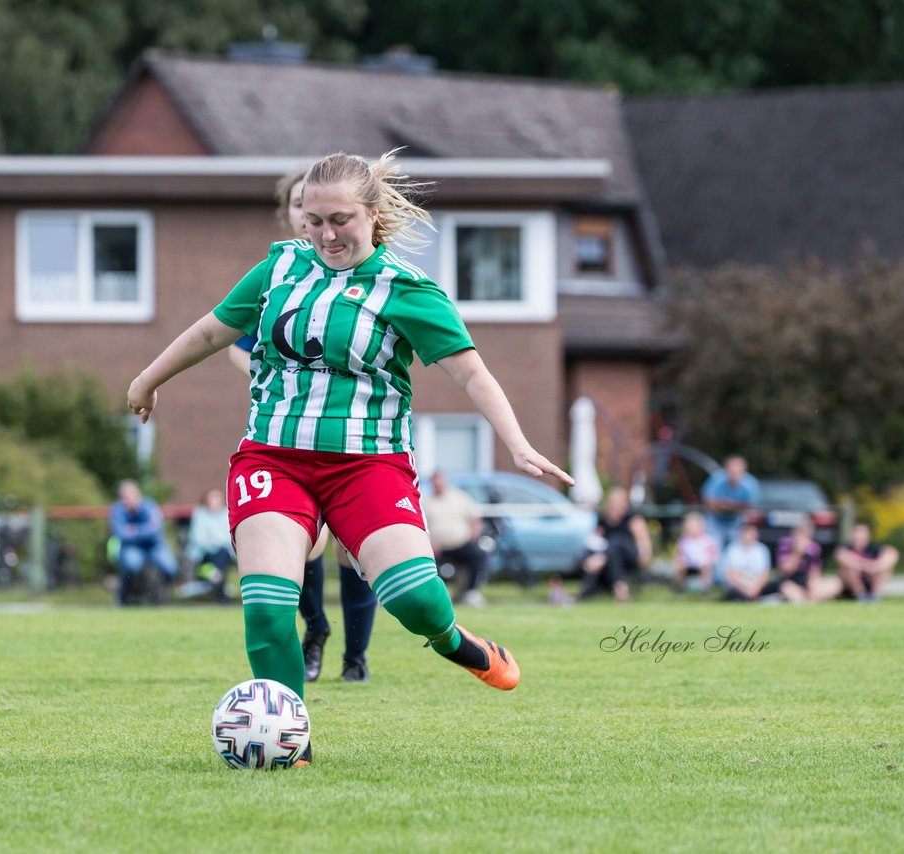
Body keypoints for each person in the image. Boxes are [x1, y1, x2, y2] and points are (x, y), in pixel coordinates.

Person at [128, 150, 573, 762]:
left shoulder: (407, 290)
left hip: (369, 467)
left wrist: (517, 443)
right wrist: (148, 380)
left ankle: (452, 640)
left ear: (373, 213)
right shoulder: (280, 267)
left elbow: (472, 376)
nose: (325, 235)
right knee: (266, 607)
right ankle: (293, 742)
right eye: (312, 221)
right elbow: (212, 331)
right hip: (273, 460)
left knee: (415, 601)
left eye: (339, 220)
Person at [228, 164, 380, 684]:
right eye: (300, 208)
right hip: (285, 432)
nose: (311, 221)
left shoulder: (370, 276)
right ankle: (314, 630)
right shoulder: (276, 272)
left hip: (357, 433)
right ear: (292, 214)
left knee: (353, 545)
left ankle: (356, 655)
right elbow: (231, 339)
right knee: (298, 540)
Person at [425, 471, 490, 606]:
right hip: (437, 547)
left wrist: (473, 536)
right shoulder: (426, 501)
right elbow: (422, 525)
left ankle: (470, 592)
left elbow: (474, 518)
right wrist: (430, 542)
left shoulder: (460, 497)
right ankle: (439, 593)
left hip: (460, 543)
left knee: (477, 555)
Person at [109, 479, 178, 606]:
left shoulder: (150, 506)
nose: (127, 500)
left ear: (138, 495)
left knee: (170, 567)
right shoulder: (117, 509)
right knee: (131, 565)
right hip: (131, 547)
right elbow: (120, 534)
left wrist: (133, 530)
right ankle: (124, 596)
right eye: (124, 497)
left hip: (154, 545)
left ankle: (160, 595)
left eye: (130, 496)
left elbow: (155, 531)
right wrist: (144, 530)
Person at [577, 487, 652, 603]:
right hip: (613, 559)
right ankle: (613, 588)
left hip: (630, 556)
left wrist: (645, 558)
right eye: (613, 503)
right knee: (608, 552)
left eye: (619, 503)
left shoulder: (633, 520)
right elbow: (595, 541)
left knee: (617, 541)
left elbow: (643, 542)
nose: (615, 506)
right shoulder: (602, 521)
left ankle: (613, 582)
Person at [701, 455, 761, 556]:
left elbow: (750, 508)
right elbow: (708, 502)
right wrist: (736, 506)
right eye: (731, 471)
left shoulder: (751, 483)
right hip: (716, 522)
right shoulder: (716, 478)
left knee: (736, 554)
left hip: (738, 523)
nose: (734, 474)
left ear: (744, 471)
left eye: (737, 471)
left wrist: (722, 504)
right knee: (712, 554)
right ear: (726, 470)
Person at [185, 487, 236, 601]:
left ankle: (215, 576)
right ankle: (221, 594)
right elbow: (197, 538)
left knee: (221, 554)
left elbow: (228, 537)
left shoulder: (227, 514)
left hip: (223, 553)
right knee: (218, 557)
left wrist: (213, 540)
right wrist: (215, 542)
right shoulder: (199, 514)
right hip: (203, 554)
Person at [775, 521, 842, 603]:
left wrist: (813, 584)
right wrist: (797, 552)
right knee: (787, 588)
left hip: (807, 584)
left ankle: (809, 599)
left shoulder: (814, 548)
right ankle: (807, 600)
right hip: (790, 582)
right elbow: (786, 571)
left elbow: (815, 572)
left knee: (835, 583)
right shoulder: (786, 544)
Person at [835, 522, 899, 602]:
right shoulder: (845, 548)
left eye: (862, 532)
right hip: (850, 586)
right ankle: (860, 595)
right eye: (856, 532)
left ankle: (874, 596)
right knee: (851, 568)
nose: (858, 536)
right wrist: (866, 566)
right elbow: (843, 557)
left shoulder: (874, 549)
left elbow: (892, 553)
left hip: (871, 579)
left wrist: (873, 567)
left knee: (884, 568)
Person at [718, 522, 778, 602]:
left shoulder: (762, 549)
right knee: (732, 594)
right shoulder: (732, 549)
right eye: (746, 532)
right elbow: (730, 575)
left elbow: (764, 574)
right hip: (740, 586)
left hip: (757, 585)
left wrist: (756, 588)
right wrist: (745, 589)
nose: (748, 536)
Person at [673, 511, 719, 594]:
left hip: (702, 564)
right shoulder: (684, 540)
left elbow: (714, 554)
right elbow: (678, 553)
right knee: (680, 567)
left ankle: (707, 590)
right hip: (688, 564)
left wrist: (708, 562)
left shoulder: (707, 539)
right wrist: (679, 562)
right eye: (689, 526)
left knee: (705, 569)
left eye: (694, 526)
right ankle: (678, 588)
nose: (691, 528)